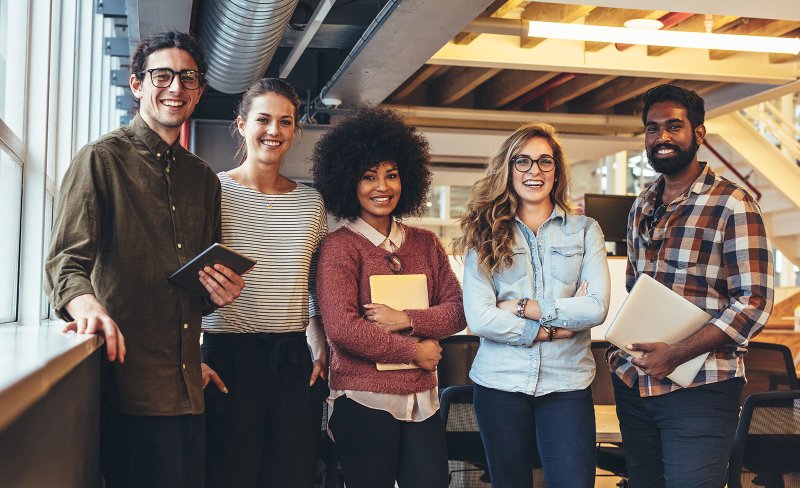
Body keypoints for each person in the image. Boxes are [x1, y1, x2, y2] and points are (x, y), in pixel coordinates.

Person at [44, 31, 246, 488]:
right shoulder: (100, 159)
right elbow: (65, 262)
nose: (176, 87)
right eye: (163, 75)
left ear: (199, 91)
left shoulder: (204, 179)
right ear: (138, 85)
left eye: (188, 78)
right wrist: (87, 306)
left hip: (189, 390)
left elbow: (196, 290)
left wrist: (220, 292)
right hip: (127, 390)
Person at [608, 84, 774, 487]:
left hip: (701, 388)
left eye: (673, 126)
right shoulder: (642, 205)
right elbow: (636, 287)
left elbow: (754, 303)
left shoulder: (733, 204)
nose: (661, 137)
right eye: (652, 128)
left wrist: (678, 353)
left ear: (698, 134)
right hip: (635, 384)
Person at [313, 106, 467, 488]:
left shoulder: (426, 243)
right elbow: (342, 329)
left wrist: (408, 319)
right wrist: (413, 352)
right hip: (363, 399)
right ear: (348, 181)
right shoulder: (339, 247)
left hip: (422, 399)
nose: (382, 187)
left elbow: (458, 310)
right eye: (369, 177)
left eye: (392, 175)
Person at [453, 122, 610, 488]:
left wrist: (522, 307)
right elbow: (480, 317)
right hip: (499, 384)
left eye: (544, 161)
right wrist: (551, 329)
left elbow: (596, 307)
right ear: (508, 170)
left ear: (557, 171)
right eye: (522, 161)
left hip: (567, 383)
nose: (534, 171)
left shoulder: (585, 230)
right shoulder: (484, 233)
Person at [200, 78, 328, 488]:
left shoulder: (311, 201)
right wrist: (190, 355)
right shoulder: (212, 190)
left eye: (285, 122)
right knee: (230, 476)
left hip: (293, 359)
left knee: (291, 476)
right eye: (263, 119)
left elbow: (314, 284)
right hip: (227, 357)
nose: (273, 131)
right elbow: (187, 280)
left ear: (295, 130)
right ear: (241, 125)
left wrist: (321, 345)